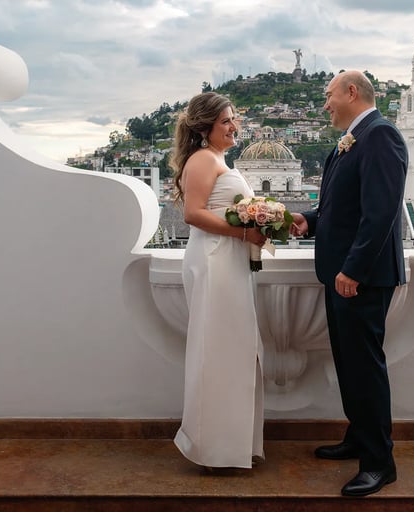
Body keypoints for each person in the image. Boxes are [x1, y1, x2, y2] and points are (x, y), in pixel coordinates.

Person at [291, 71, 408, 497]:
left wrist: (354, 270)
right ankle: (359, 437)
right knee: (349, 364)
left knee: (365, 368)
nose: (326, 105)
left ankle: (380, 463)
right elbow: (344, 203)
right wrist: (313, 218)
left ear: (352, 93)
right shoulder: (356, 138)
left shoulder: (380, 136)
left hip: (361, 278)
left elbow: (380, 213)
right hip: (341, 273)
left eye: (329, 96)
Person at [171, 92, 267, 470]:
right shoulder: (201, 160)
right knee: (217, 351)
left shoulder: (218, 160)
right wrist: (245, 234)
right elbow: (193, 215)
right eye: (226, 121)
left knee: (235, 349)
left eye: (234, 119)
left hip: (229, 262)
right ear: (205, 126)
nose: (234, 126)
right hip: (213, 262)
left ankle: (233, 445)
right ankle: (212, 448)